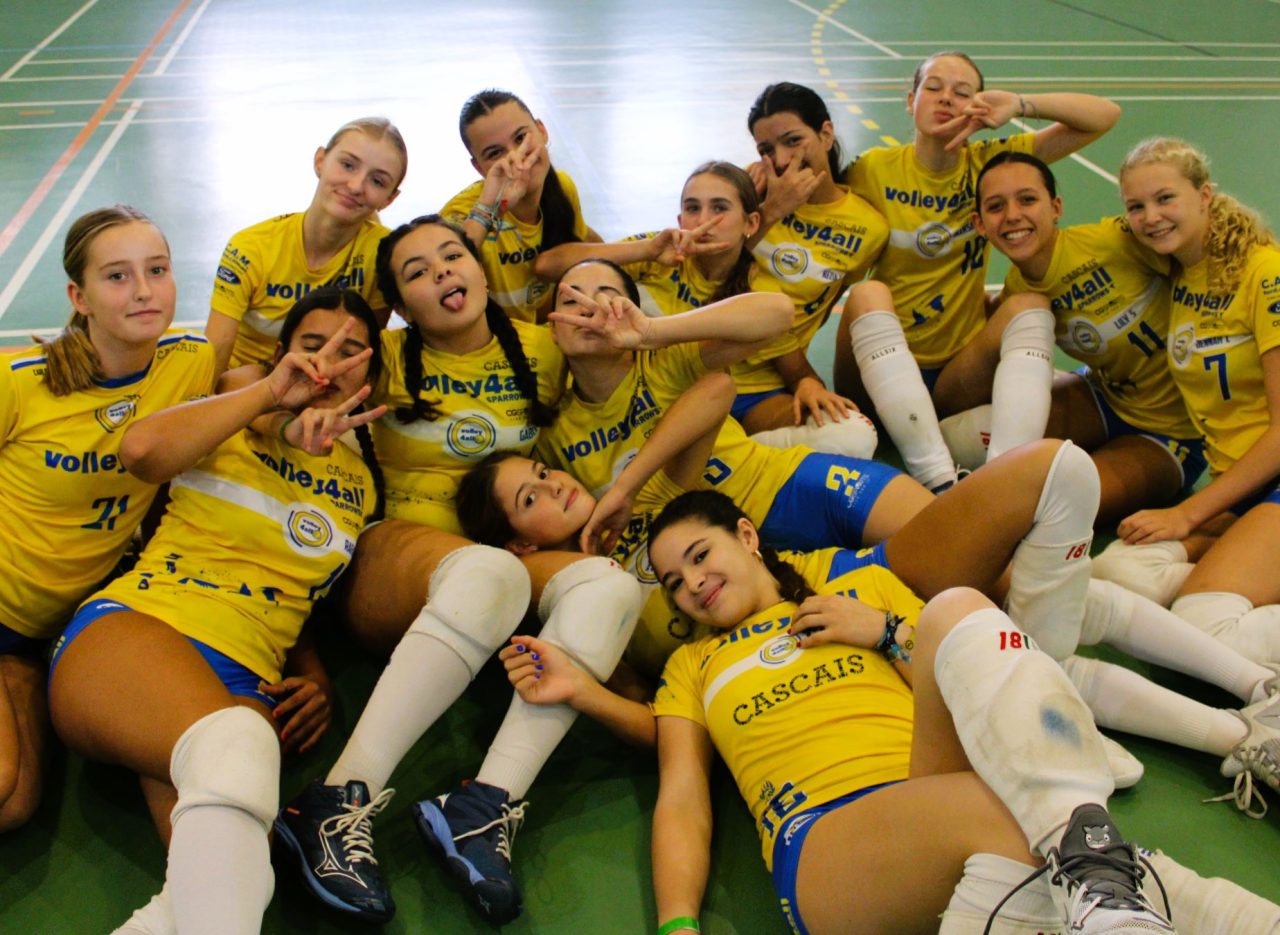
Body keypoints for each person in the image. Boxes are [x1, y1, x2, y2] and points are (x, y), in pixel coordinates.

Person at [272, 216, 647, 928]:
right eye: (417, 272)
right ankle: (334, 800)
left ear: (480, 268)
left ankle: (483, 806)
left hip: (500, 562)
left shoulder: (542, 348)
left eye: (453, 256)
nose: (443, 272)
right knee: (487, 571)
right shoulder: (381, 355)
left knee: (610, 584)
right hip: (393, 561)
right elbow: (267, 384)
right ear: (400, 306)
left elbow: (662, 378)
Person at [645, 490, 1182, 934]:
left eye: (699, 556)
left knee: (960, 610)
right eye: (674, 583)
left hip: (932, 780)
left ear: (745, 536)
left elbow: (960, 682)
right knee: (1029, 816)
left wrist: (883, 631)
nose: (693, 582)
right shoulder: (691, 667)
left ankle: (1113, 897)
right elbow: (682, 798)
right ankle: (1116, 870)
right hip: (826, 837)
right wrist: (678, 926)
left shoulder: (858, 586)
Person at [47, 289, 384, 935]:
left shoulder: (363, 479)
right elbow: (142, 450)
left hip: (244, 676)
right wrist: (270, 398)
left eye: (350, 351)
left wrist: (312, 672)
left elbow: (292, 587)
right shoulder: (234, 409)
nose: (327, 363)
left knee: (232, 881)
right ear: (282, 355)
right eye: (312, 345)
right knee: (237, 746)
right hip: (139, 628)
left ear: (370, 374)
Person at [0, 205, 215, 834]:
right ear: (79, 297)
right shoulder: (20, 383)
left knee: (14, 804)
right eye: (117, 276)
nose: (144, 290)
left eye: (158, 270)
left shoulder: (189, 363)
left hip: (52, 630)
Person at [830, 50, 1120, 491]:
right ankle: (936, 477)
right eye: (933, 87)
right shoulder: (873, 169)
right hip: (874, 371)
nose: (947, 98)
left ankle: (1005, 480)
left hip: (954, 379)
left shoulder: (990, 165)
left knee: (1029, 303)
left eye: (962, 92)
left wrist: (1020, 104)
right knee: (869, 294)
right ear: (910, 100)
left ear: (978, 107)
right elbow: (815, 197)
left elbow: (1103, 116)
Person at [536, 163, 879, 458]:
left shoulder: (760, 289)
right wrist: (646, 250)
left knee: (853, 433)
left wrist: (809, 385)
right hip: (655, 400)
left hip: (742, 399)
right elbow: (548, 266)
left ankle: (726, 456)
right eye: (692, 208)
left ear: (751, 223)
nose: (704, 220)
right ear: (679, 219)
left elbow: (796, 369)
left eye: (719, 208)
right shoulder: (656, 255)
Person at [937, 151, 1206, 525]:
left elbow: (1205, 251)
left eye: (1027, 199)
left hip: (1174, 434)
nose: (1012, 215)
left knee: (1052, 507)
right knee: (958, 439)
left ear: (1056, 207)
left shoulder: (1115, 242)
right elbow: (949, 398)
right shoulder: (1018, 290)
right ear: (980, 224)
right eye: (996, 206)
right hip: (1104, 398)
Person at [1093, 138, 1280, 674]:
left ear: (1205, 195)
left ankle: (1226, 591)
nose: (1150, 217)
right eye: (1136, 206)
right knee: (1114, 577)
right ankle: (1242, 578)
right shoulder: (1176, 273)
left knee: (1203, 627)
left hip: (1271, 474)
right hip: (1242, 487)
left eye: (1165, 198)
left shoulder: (1264, 273)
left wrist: (1187, 514)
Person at [206, 116, 407, 374]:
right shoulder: (251, 248)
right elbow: (217, 350)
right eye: (347, 165)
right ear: (320, 161)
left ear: (389, 199)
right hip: (250, 384)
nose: (356, 186)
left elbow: (365, 350)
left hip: (327, 381)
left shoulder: (383, 253)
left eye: (377, 181)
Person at [443, 89, 599, 323]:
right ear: (479, 168)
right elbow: (443, 277)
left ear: (542, 131)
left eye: (520, 138)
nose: (516, 157)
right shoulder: (461, 216)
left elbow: (584, 244)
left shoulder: (562, 188)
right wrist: (490, 208)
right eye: (495, 153)